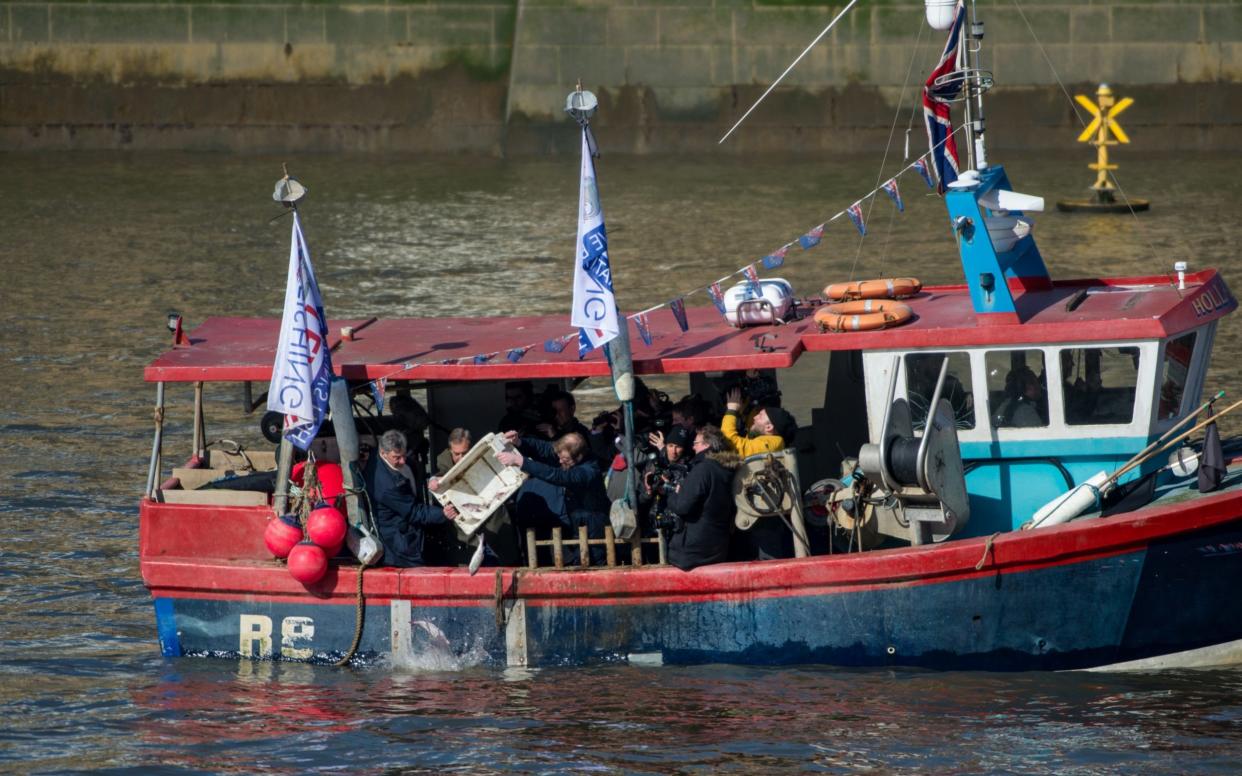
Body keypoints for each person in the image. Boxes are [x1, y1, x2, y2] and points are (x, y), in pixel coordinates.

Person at [498, 430, 609, 566]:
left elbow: (558, 476)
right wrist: (520, 442)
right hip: (575, 520)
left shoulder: (589, 471)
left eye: (566, 459)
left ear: (579, 456)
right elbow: (545, 448)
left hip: (592, 525)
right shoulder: (565, 453)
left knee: (593, 564)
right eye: (559, 456)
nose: (560, 461)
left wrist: (521, 462)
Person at [363, 429, 458, 567]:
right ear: (383, 453)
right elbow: (414, 512)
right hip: (399, 543)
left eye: (404, 455)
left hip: (408, 526)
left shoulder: (379, 455)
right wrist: (443, 513)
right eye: (397, 457)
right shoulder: (387, 486)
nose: (403, 461)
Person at [428, 427, 520, 567]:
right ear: (450, 450)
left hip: (495, 527)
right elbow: (440, 475)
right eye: (456, 454)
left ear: (472, 448)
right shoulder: (444, 460)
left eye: (465, 453)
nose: (461, 458)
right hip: (468, 538)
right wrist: (433, 481)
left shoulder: (483, 454)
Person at [664, 425, 739, 571]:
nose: (693, 448)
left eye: (695, 443)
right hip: (718, 547)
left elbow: (682, 506)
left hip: (694, 551)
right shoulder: (726, 468)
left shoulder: (703, 469)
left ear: (707, 445)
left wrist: (673, 493)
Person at [721, 387, 797, 457]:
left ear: (769, 427)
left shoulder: (773, 444)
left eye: (760, 416)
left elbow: (730, 443)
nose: (755, 417)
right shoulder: (763, 439)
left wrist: (731, 411)